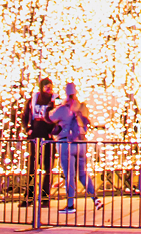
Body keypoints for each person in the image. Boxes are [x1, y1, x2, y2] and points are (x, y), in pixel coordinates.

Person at [49, 81, 102, 214]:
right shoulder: (82, 107)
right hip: (81, 144)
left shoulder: (62, 109)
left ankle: (71, 204)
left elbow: (49, 117)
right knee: (82, 173)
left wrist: (54, 103)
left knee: (69, 175)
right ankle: (95, 198)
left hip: (66, 143)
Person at [20, 77, 56, 208]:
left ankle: (45, 197)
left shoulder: (54, 100)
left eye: (51, 88)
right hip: (35, 136)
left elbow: (58, 116)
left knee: (47, 168)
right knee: (31, 168)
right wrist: (28, 129)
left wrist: (54, 131)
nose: (49, 90)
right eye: (47, 87)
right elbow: (25, 115)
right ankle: (29, 197)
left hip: (48, 138)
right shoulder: (33, 100)